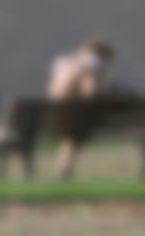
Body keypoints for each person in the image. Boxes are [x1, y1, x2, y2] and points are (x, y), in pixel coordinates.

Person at [45, 36, 114, 178]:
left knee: (72, 136)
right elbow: (90, 93)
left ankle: (63, 170)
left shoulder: (64, 63)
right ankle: (64, 171)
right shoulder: (92, 64)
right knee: (76, 133)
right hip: (73, 115)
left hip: (52, 114)